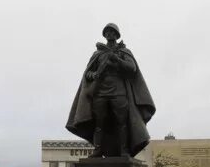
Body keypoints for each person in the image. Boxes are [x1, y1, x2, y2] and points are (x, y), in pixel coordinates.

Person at [66, 23, 155, 157]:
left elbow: (132, 68)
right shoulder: (98, 53)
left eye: (112, 32)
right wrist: (94, 75)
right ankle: (98, 150)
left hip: (119, 92)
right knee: (99, 123)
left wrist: (116, 59)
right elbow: (87, 73)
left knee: (122, 122)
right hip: (100, 93)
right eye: (107, 31)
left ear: (117, 35)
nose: (109, 33)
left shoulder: (123, 51)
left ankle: (124, 150)